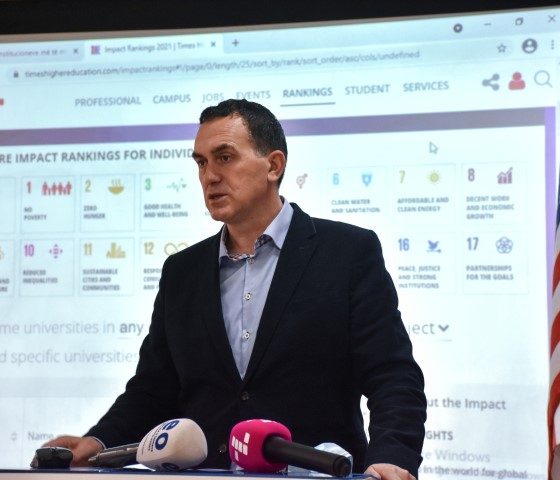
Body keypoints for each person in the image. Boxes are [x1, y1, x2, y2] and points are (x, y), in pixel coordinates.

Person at [44, 99, 427, 480]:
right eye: (201, 162)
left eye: (224, 158)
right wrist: (97, 441)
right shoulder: (182, 272)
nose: (209, 176)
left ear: (273, 166)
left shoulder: (346, 252)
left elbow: (392, 376)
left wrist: (393, 457)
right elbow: (154, 389)